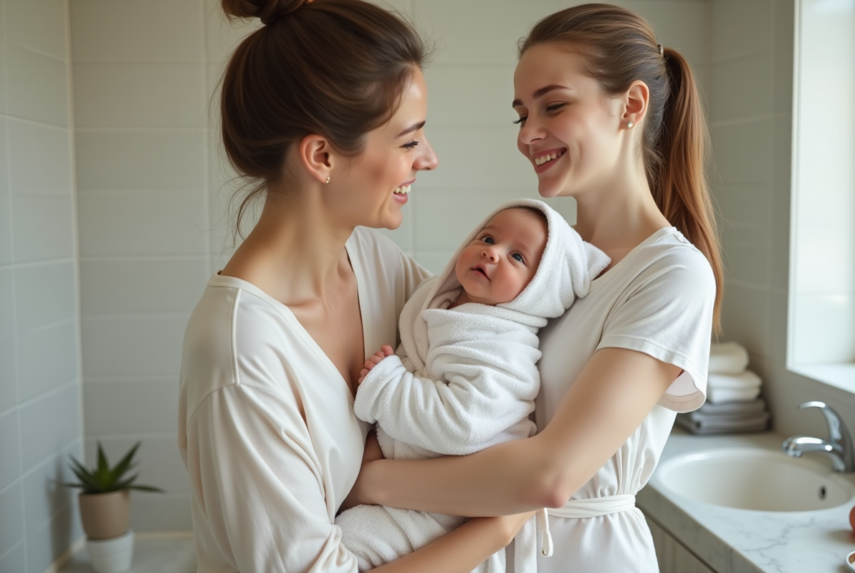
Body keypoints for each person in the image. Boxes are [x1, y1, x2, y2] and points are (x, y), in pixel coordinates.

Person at [347, 4, 723, 572]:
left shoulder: (672, 275)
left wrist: (367, 481)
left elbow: (550, 476)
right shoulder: (542, 269)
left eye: (555, 105)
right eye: (521, 114)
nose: (529, 134)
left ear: (632, 106)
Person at [176, 1, 534, 572]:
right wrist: (501, 522)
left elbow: (495, 336)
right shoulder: (240, 357)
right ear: (321, 156)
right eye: (408, 140)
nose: (430, 159)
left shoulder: (373, 263)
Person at [336, 200, 609, 572]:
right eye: (488, 237)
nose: (492, 252)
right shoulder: (444, 304)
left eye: (517, 256)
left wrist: (388, 386)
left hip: (448, 511)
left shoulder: (503, 346)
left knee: (345, 545)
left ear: (539, 291)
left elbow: (463, 423)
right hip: (410, 490)